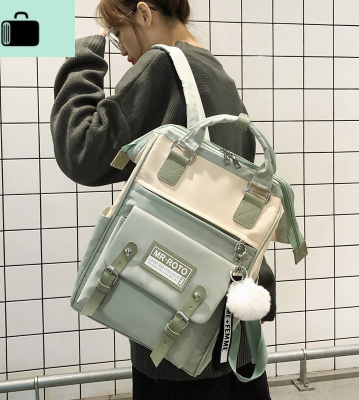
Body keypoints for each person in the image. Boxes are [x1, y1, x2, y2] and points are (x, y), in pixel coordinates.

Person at [50, 1, 274, 398]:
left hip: (176, 330)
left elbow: (82, 151)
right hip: (231, 324)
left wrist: (83, 59)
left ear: (144, 13)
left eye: (118, 32)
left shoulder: (161, 66)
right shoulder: (216, 74)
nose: (121, 48)